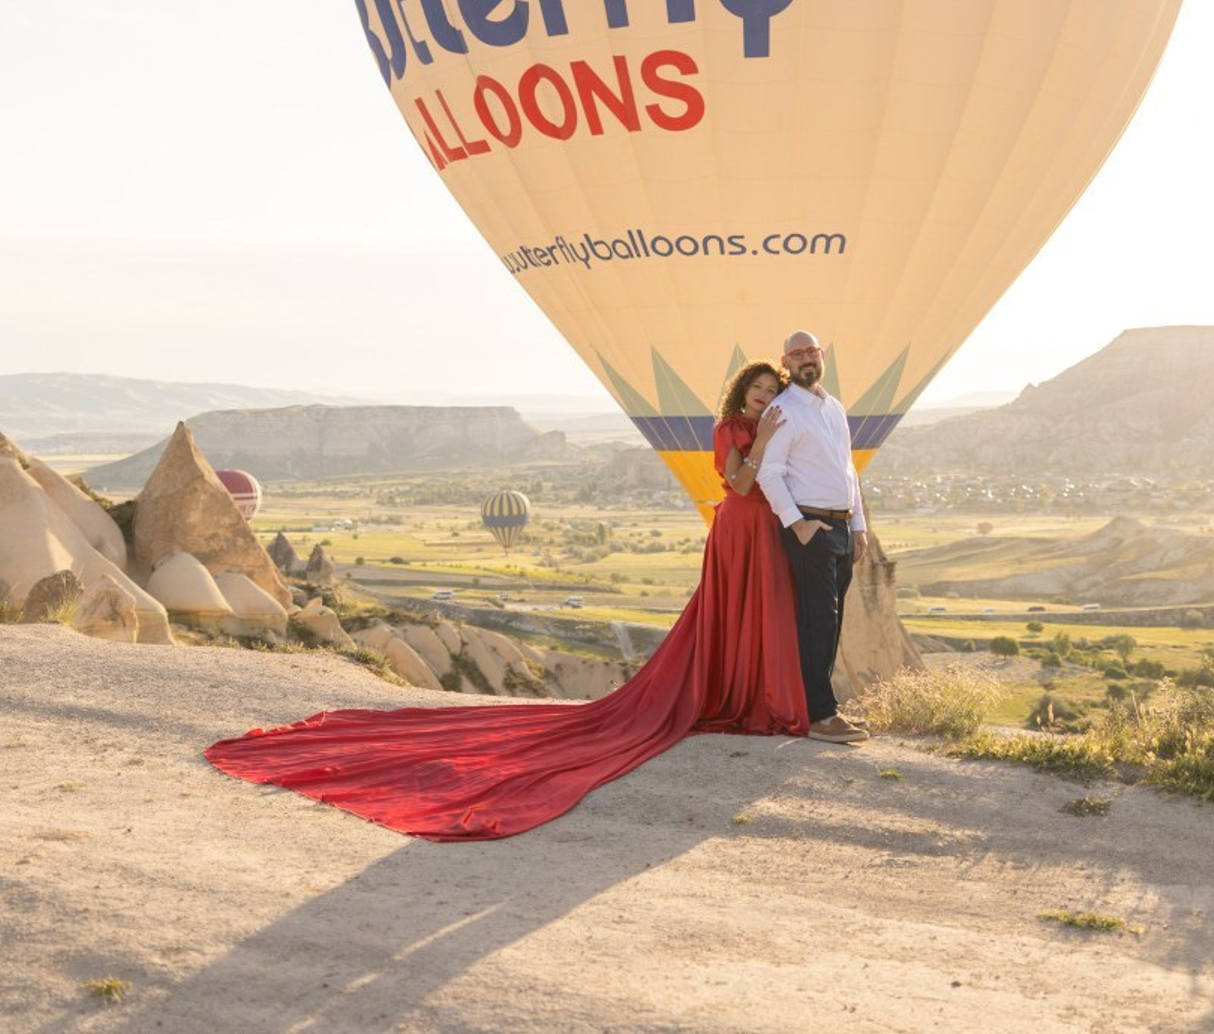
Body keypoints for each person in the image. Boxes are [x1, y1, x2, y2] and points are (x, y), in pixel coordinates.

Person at [205, 360, 809, 842]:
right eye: (756, 388)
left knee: (764, 615)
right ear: (742, 394)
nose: (763, 396)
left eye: (769, 390)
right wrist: (766, 442)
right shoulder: (733, 430)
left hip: (768, 531)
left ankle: (755, 695)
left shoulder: (771, 425)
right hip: (738, 526)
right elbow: (742, 482)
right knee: (731, 611)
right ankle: (728, 696)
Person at [756, 330, 871, 745]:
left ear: (822, 357)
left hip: (839, 526)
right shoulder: (784, 409)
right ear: (785, 361)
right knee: (819, 620)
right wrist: (797, 524)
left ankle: (819, 705)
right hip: (811, 527)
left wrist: (858, 525)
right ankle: (819, 715)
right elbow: (769, 473)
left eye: (812, 351)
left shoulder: (833, 407)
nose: (806, 358)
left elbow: (848, 469)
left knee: (831, 619)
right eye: (797, 353)